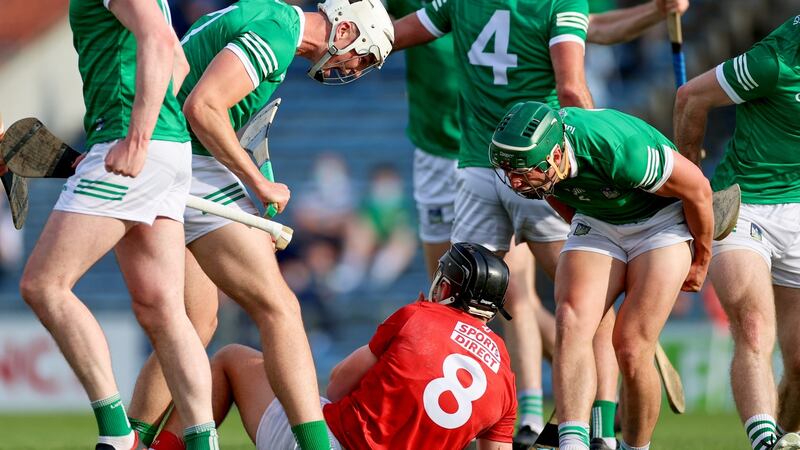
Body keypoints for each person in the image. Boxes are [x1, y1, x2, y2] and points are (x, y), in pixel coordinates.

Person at [391, 1, 688, 447]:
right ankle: (600, 432)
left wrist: (317, 37)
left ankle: (463, 425)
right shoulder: (559, 2)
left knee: (458, 304)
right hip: (542, 167)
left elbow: (393, 36)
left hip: (479, 165)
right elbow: (572, 89)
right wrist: (589, 163)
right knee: (590, 307)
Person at [118, 1, 395, 449]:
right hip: (184, 161)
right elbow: (203, 107)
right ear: (344, 30)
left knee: (195, 321)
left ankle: (128, 441)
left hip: (173, 159)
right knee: (279, 307)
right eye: (361, 55)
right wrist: (257, 183)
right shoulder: (279, 30)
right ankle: (316, 445)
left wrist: (250, 195)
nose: (356, 68)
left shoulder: (274, 23)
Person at [15, 0, 219, 448]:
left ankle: (117, 435)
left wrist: (137, 138)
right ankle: (203, 442)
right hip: (162, 147)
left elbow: (160, 40)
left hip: (135, 144)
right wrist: (159, 132)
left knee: (44, 285)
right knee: (162, 309)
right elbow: (178, 61)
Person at [489, 101, 712, 450]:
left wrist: (701, 260)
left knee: (632, 347)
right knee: (570, 319)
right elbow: (553, 195)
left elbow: (698, 189)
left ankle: (634, 447)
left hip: (661, 224)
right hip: (597, 222)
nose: (515, 182)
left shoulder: (621, 151)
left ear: (559, 154)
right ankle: (573, 443)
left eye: (523, 171)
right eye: (508, 171)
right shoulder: (538, 163)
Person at [146, 242, 517, 450]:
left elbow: (338, 381)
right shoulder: (505, 372)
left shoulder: (419, 315)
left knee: (230, 359)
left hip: (332, 442)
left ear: (449, 287)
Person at [673, 15, 800, 450]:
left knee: (799, 360)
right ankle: (763, 442)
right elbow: (691, 96)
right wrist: (686, 177)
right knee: (753, 325)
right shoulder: (773, 61)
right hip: (743, 206)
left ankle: (785, 438)